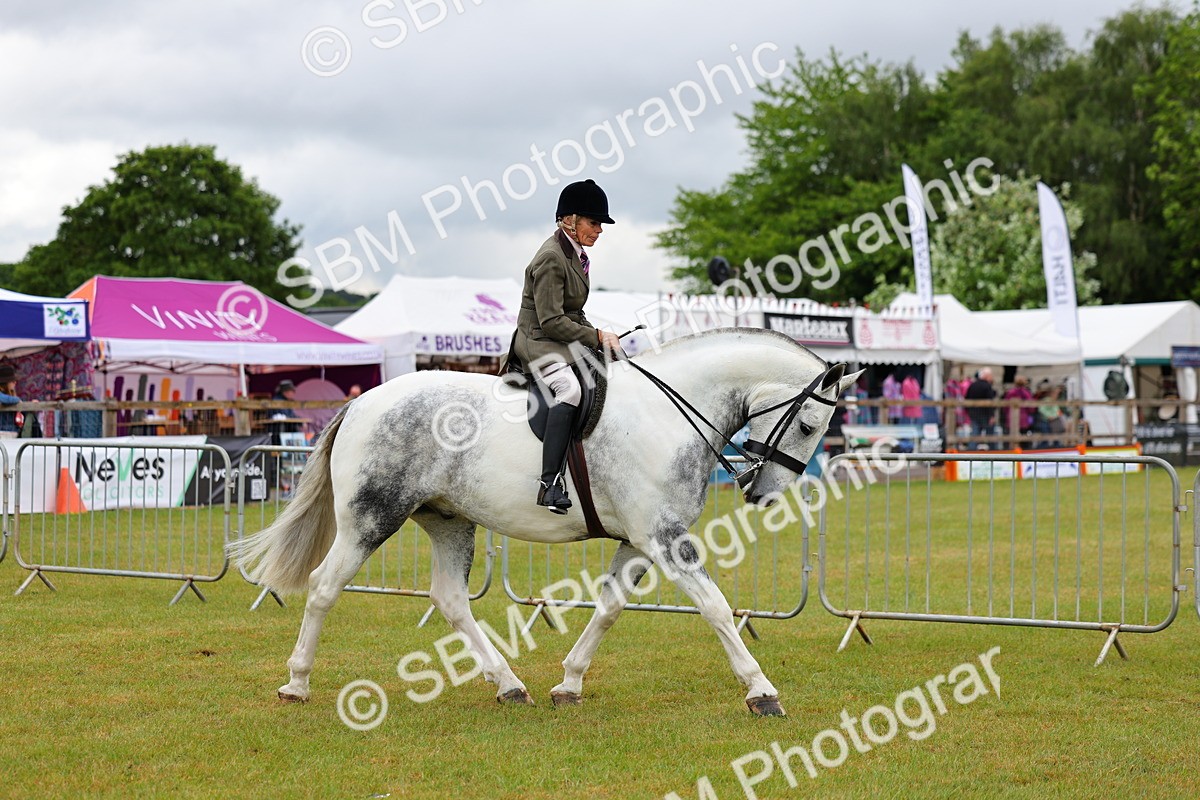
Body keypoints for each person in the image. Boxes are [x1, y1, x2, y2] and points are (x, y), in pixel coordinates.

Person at [499, 178, 620, 514]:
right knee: (569, 390)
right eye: (594, 223)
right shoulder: (553, 257)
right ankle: (549, 482)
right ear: (571, 220)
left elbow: (574, 312)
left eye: (599, 224)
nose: (599, 230)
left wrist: (602, 338)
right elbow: (551, 320)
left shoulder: (575, 255)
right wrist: (594, 336)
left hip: (558, 337)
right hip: (538, 342)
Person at [964, 367, 996, 450]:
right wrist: (991, 415)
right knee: (990, 434)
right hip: (986, 414)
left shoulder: (972, 385)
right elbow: (990, 402)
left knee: (975, 434)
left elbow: (966, 399)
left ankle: (971, 451)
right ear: (986, 376)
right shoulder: (987, 386)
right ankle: (993, 451)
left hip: (974, 414)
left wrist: (969, 411)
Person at [1002, 375, 1035, 445]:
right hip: (1023, 420)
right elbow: (1031, 407)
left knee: (1011, 440)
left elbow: (1005, 406)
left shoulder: (1010, 393)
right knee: (1024, 441)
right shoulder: (1026, 393)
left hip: (1011, 420)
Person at [0, 364, 21, 438]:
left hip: (11, 431)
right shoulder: (9, 397)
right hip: (3, 431)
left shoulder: (11, 395)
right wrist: (18, 400)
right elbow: (2, 398)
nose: (15, 382)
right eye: (12, 381)